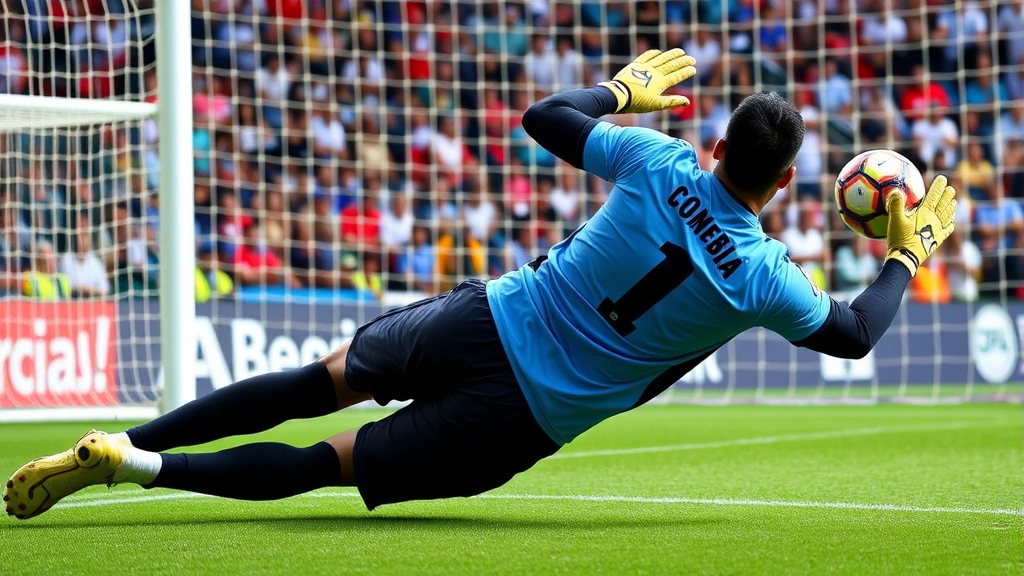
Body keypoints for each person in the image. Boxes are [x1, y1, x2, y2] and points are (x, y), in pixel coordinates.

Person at [4, 49, 957, 520]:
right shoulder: (761, 278)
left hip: (486, 316)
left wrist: (621, 91)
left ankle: (127, 436)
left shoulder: (658, 163)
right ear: (788, 183)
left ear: (713, 144)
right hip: (524, 413)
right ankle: (138, 471)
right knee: (324, 464)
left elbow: (547, 114)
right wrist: (906, 255)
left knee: (309, 383)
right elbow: (856, 332)